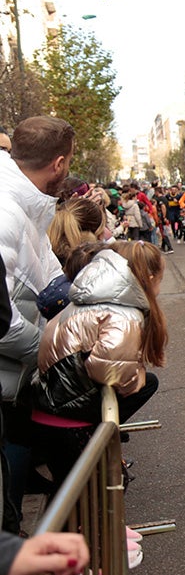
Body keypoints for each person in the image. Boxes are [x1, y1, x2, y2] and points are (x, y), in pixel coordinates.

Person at [32, 241, 165, 489]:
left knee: (71, 498)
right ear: (149, 277)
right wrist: (135, 376)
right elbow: (111, 373)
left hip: (52, 404)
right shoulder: (122, 313)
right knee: (88, 498)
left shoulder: (95, 297)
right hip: (68, 416)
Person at [0, 116, 74, 532]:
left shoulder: (24, 204)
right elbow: (3, 320)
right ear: (59, 163)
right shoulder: (5, 211)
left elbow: (46, 275)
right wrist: (50, 351)